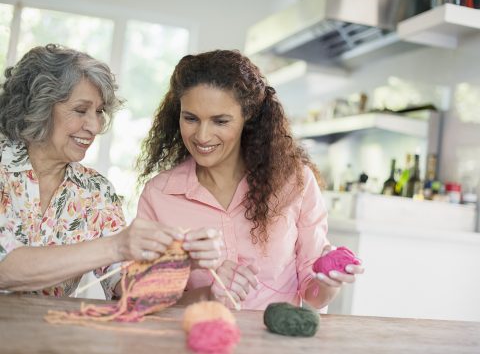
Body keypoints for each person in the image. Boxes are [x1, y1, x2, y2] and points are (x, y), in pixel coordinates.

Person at [136, 49, 364, 310]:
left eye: (220, 121)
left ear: (248, 118)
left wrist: (328, 282)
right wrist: (209, 294)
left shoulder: (295, 182)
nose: (202, 135)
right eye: (191, 118)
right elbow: (144, 300)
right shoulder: (159, 195)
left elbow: (313, 295)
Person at [0, 44, 222, 299]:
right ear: (38, 105)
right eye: (81, 110)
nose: (94, 126)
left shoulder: (95, 191)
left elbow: (128, 286)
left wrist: (180, 259)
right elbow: (4, 267)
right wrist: (116, 246)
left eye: (99, 112)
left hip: (49, 336)